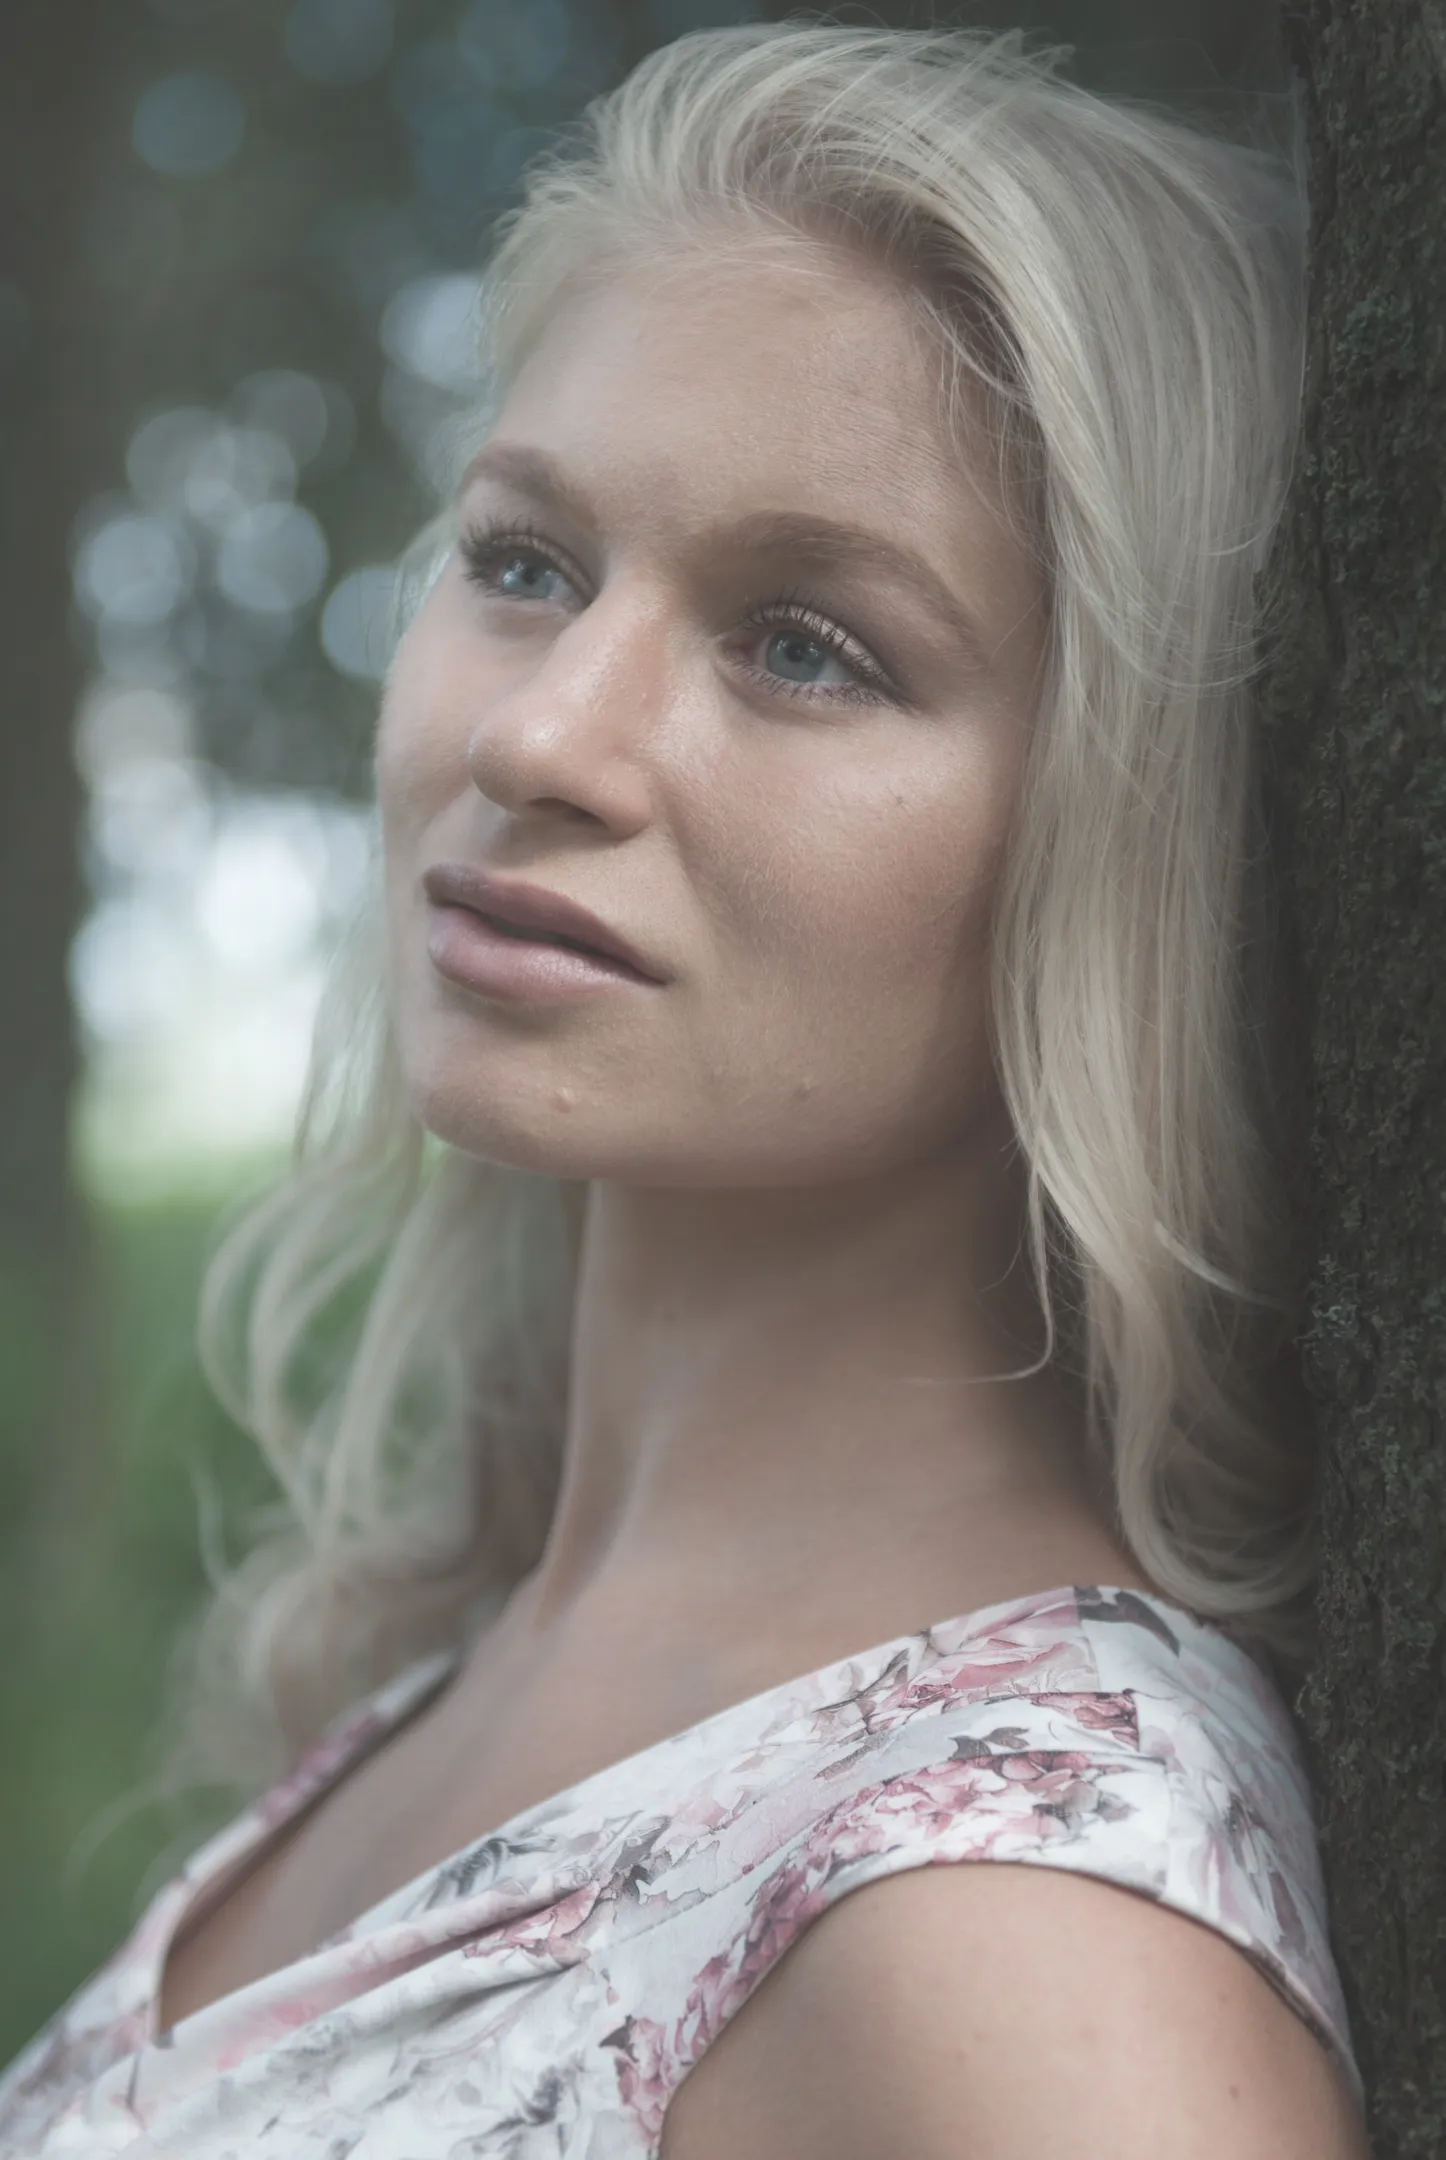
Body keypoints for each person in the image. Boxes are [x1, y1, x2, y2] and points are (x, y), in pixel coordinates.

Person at [1, 20, 1372, 2158]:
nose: (543, 735)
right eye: (525, 560)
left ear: (1131, 833)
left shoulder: (1008, 1945)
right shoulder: (462, 1669)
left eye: (804, 642)